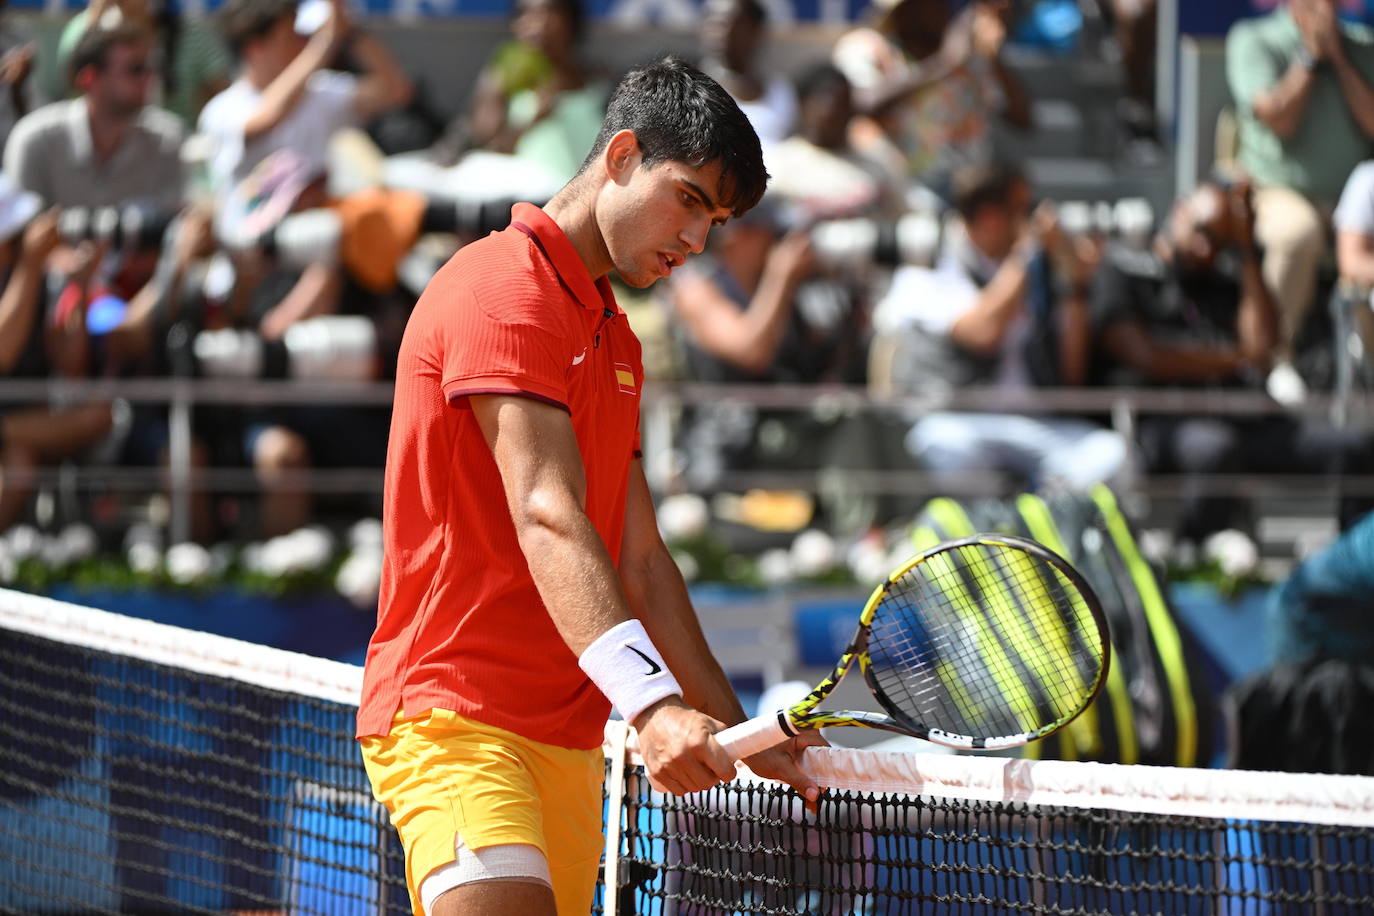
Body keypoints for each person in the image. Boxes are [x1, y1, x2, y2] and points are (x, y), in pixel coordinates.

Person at [355, 58, 821, 916]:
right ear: (619, 155)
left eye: (714, 221)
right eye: (688, 200)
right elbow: (548, 513)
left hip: (567, 740)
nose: (697, 242)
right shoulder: (501, 290)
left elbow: (640, 560)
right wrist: (651, 709)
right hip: (456, 718)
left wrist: (736, 728)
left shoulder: (616, 338)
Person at [1089, 181, 1374, 540]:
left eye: (1218, 241)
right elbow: (1144, 355)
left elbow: (1264, 345)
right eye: (1201, 232)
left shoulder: (1228, 275)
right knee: (1217, 449)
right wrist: (1236, 357)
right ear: (1179, 213)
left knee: (1358, 445)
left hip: (1246, 421)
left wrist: (1246, 249)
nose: (1204, 248)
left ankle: (1354, 561)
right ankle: (1191, 560)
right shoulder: (1124, 269)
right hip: (1164, 422)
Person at [873, 160, 1128, 494]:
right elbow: (983, 333)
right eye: (1024, 209)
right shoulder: (929, 259)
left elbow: (1072, 374)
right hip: (960, 422)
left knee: (1113, 455)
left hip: (1035, 424)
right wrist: (1029, 252)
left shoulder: (1039, 266)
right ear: (990, 218)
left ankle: (1045, 528)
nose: (1035, 219)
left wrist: (1075, 286)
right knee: (942, 448)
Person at [1225, 0, 1374, 404]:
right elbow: (1280, 120)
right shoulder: (1254, 40)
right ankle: (1279, 359)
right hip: (1278, 191)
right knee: (1296, 234)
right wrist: (1309, 56)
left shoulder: (1364, 45)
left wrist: (1340, 59)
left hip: (1357, 198)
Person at [831, 0, 1031, 199]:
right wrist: (945, 64)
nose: (940, 8)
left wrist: (993, 56)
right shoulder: (873, 50)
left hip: (968, 194)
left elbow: (1022, 119)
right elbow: (863, 105)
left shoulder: (967, 52)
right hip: (908, 193)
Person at [4, 22, 185, 212]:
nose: (149, 78)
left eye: (151, 68)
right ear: (88, 78)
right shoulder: (35, 140)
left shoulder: (167, 140)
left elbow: (175, 224)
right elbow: (18, 235)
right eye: (136, 69)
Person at [55, 0, 231, 126]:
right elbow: (72, 86)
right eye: (134, 69)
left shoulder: (191, 35)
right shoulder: (82, 29)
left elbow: (223, 101)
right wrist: (96, 21)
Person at [699, 0, 797, 147]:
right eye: (714, 23)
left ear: (756, 30)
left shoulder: (781, 90)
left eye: (733, 23)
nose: (722, 32)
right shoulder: (694, 88)